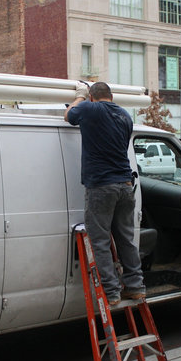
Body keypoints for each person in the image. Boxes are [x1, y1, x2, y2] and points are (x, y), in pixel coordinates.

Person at [64, 81, 146, 306]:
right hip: (125, 185)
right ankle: (136, 287)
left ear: (92, 97)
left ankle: (111, 293)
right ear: (111, 96)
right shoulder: (125, 116)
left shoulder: (91, 109)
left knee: (99, 241)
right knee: (126, 239)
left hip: (102, 186)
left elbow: (69, 116)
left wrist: (79, 97)